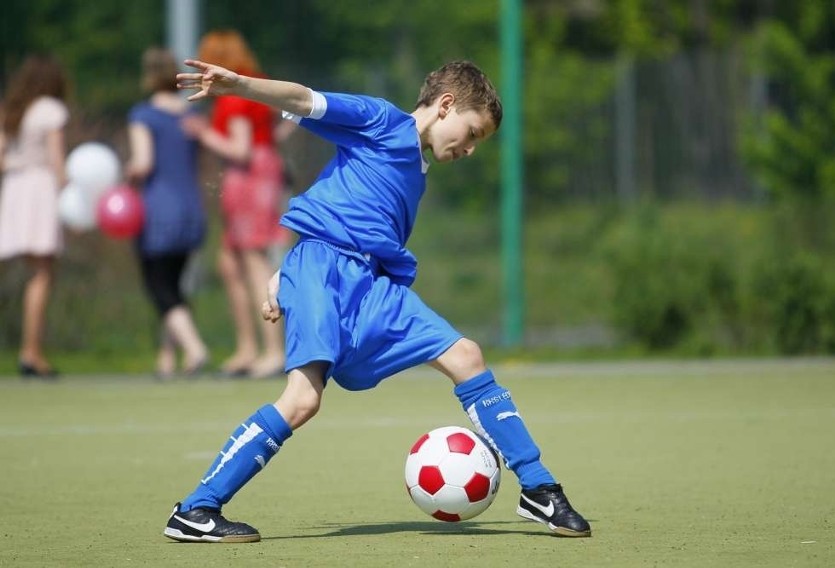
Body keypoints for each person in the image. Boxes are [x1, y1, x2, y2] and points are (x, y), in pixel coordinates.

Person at [164, 58, 591, 542]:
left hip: (370, 285)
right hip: (324, 272)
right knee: (303, 400)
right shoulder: (381, 121)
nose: (471, 149)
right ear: (446, 105)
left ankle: (538, 489)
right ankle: (196, 509)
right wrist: (239, 85)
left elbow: (343, 206)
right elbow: (304, 99)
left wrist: (283, 271)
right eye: (472, 133)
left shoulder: (417, 169)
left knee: (466, 355)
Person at [191, 29, 289, 379]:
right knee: (230, 262)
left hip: (247, 177)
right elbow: (283, 128)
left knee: (253, 260)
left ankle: (273, 350)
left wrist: (203, 133)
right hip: (266, 171)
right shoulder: (258, 85)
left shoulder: (233, 98)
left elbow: (240, 149)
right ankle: (248, 348)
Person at [125, 47, 208, 377]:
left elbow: (143, 163)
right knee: (175, 284)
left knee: (159, 287)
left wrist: (126, 174)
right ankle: (169, 358)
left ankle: (194, 348)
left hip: (159, 211)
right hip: (190, 209)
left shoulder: (143, 115)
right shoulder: (190, 115)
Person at [0, 54, 70, 378]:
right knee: (42, 273)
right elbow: (57, 163)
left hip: (13, 188)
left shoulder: (13, 110)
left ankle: (30, 351)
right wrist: (69, 196)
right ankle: (31, 352)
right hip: (40, 189)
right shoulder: (52, 111)